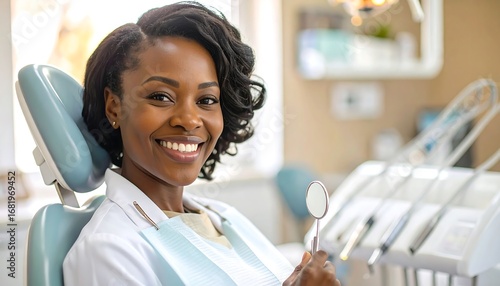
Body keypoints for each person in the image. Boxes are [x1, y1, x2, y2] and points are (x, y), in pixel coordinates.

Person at [63, 2, 340, 285]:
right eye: (161, 96)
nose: (189, 120)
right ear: (114, 107)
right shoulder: (109, 249)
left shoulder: (223, 217)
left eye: (206, 100)